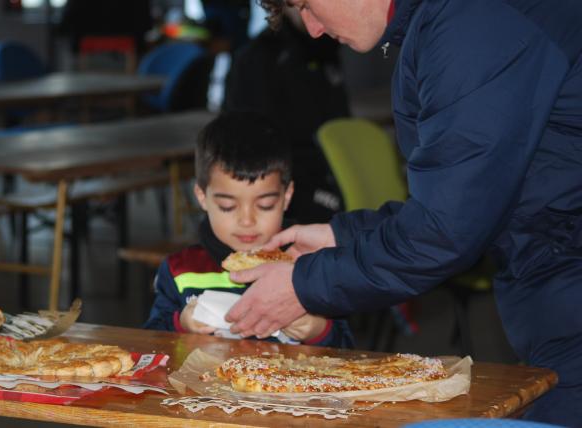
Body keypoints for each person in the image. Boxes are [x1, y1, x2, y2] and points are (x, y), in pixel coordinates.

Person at [224, 1, 582, 425]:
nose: (315, 30)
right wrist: (345, 236)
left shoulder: (472, 22)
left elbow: (447, 231)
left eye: (307, 6)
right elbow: (474, 196)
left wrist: (304, 285)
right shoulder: (445, 19)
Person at [143, 112, 355, 349]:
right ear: (202, 197)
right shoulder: (180, 271)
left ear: (287, 196)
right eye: (228, 206)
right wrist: (180, 325)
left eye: (265, 205)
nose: (247, 220)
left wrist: (317, 329)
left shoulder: (308, 267)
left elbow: (349, 354)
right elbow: (151, 348)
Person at [223, 7, 349, 223]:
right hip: (286, 181)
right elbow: (247, 144)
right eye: (302, 6)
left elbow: (341, 120)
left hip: (331, 169)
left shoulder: (329, 46)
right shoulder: (257, 59)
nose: (313, 15)